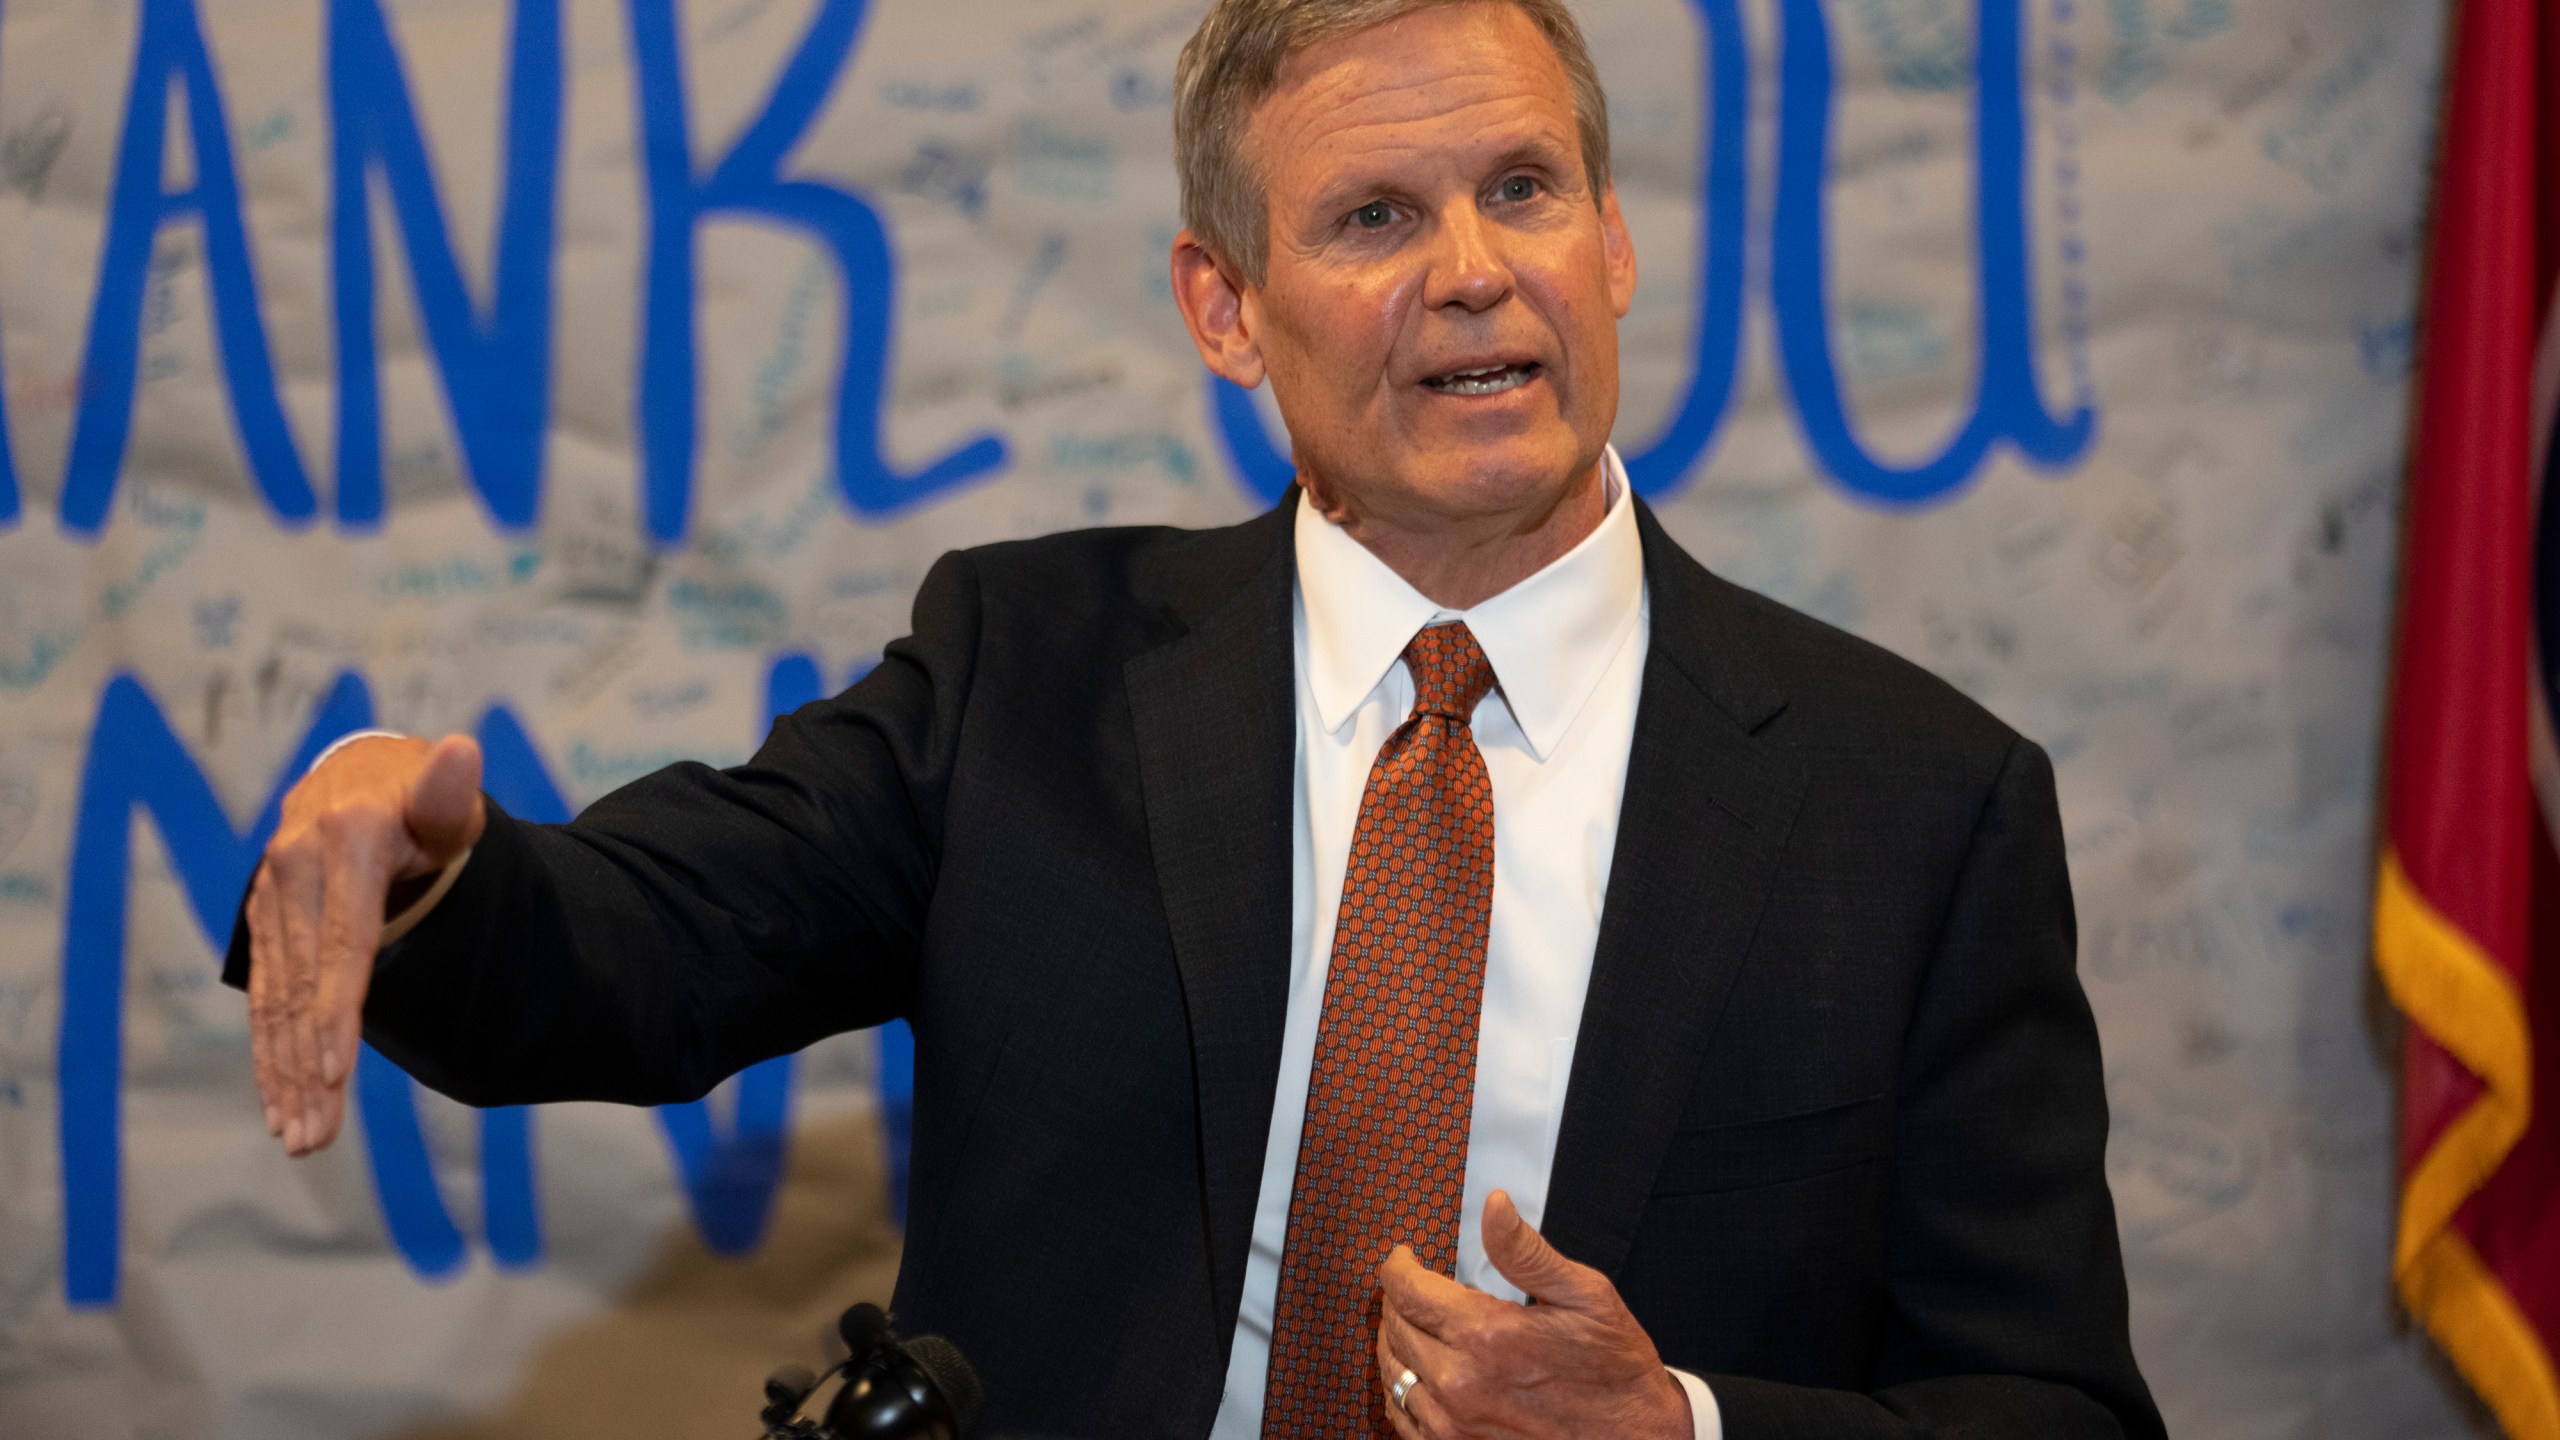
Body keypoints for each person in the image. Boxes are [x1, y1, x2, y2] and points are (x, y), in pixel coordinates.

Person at [229, 1, 2165, 1436]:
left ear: (1614, 244)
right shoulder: (1033, 670)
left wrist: (1679, 1427)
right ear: (1224, 310)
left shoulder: (1915, 802)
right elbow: (639, 952)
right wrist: (431, 859)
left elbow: (2048, 1410)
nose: (1473, 270)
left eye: (1520, 189)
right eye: (1373, 219)